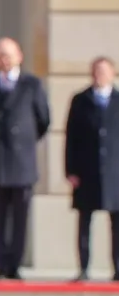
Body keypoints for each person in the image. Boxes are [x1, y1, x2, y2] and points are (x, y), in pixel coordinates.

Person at [0, 37, 50, 279]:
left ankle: (15, 265)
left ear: (19, 57)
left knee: (19, 217)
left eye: (8, 55)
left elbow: (43, 119)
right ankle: (0, 264)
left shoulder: (32, 85)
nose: (3, 60)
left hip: (22, 162)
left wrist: (23, 140)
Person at [64, 55, 119, 281]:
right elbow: (71, 138)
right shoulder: (80, 100)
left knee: (116, 226)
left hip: (115, 172)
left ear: (113, 74)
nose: (100, 75)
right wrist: (70, 170)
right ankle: (84, 268)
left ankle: (117, 269)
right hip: (86, 171)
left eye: (104, 71)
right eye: (97, 71)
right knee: (84, 222)